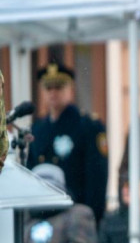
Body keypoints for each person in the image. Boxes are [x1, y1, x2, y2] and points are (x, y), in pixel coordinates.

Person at [30, 62, 108, 222]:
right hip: (41, 212)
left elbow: (97, 178)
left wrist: (91, 217)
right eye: (48, 88)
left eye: (58, 87)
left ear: (70, 89)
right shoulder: (37, 129)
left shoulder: (87, 126)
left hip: (74, 214)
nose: (53, 93)